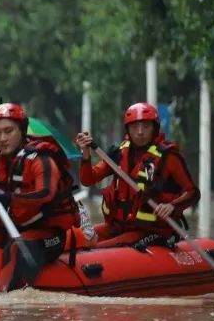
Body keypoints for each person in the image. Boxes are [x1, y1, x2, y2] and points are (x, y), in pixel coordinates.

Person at [0, 103, 77, 290]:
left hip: (47, 234)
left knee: (16, 248)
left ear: (22, 130)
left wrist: (8, 198)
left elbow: (45, 194)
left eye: (9, 131)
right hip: (8, 229)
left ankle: (7, 303)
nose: (2, 138)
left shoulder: (41, 159)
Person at [74, 102, 199, 250]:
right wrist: (86, 153)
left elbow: (193, 193)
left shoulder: (169, 157)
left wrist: (172, 206)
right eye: (134, 127)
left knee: (93, 249)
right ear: (128, 129)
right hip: (119, 226)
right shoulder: (119, 153)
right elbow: (88, 180)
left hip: (150, 230)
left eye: (146, 126)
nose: (140, 132)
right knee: (77, 240)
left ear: (155, 128)